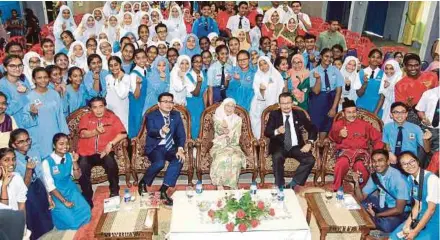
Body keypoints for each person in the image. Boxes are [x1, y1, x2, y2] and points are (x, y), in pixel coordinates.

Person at [138, 92, 186, 206]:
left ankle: (163, 190)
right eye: (165, 102)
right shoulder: (151, 116)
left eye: (170, 102)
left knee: (179, 159)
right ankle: (143, 182)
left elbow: (181, 134)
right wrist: (161, 131)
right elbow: (151, 131)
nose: (168, 104)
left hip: (170, 147)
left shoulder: (176, 115)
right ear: (159, 104)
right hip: (156, 146)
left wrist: (180, 149)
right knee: (159, 163)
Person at [77, 97, 126, 207]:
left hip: (104, 151)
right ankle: (87, 195)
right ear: (91, 109)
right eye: (95, 107)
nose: (98, 110)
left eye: (101, 106)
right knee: (82, 167)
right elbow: (82, 134)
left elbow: (123, 134)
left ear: (105, 106)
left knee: (111, 163)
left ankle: (114, 191)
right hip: (86, 151)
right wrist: (96, 131)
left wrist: (111, 144)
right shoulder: (86, 118)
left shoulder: (112, 118)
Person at [329, 98, 384, 191]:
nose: (352, 115)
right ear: (343, 113)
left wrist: (376, 152)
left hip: (361, 153)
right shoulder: (338, 124)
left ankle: (361, 190)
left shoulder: (365, 124)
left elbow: (378, 138)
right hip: (345, 152)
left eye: (354, 112)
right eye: (349, 112)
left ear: (357, 112)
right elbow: (332, 137)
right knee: (341, 164)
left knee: (361, 167)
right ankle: (337, 188)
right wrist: (340, 135)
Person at [264, 92, 316, 189]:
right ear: (279, 105)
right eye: (283, 103)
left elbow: (312, 128)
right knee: (277, 157)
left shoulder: (299, 114)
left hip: (296, 146)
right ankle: (280, 184)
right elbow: (267, 132)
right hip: (279, 146)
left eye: (288, 103)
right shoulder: (274, 114)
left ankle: (294, 183)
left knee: (310, 159)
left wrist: (309, 143)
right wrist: (277, 131)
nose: (286, 106)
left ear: (292, 103)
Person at [353, 149, 410, 234]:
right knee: (362, 204)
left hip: (401, 212)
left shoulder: (399, 180)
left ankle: (374, 218)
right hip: (385, 204)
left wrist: (377, 215)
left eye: (380, 160)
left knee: (387, 226)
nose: (376, 164)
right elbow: (361, 199)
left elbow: (399, 209)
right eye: (374, 161)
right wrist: (356, 183)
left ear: (388, 162)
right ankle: (373, 218)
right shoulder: (375, 176)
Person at [9, 129, 53, 239]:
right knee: (33, 218)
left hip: (37, 183)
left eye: (27, 140)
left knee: (47, 216)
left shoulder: (34, 151)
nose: (26, 143)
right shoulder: (13, 160)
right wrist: (28, 170)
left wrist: (48, 194)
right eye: (21, 141)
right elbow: (23, 187)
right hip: (25, 190)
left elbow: (40, 173)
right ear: (14, 145)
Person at [42, 133, 91, 229]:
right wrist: (64, 201)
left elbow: (77, 176)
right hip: (57, 193)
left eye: (67, 143)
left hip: (71, 189)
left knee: (87, 211)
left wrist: (74, 161)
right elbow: (50, 186)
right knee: (72, 222)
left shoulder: (69, 156)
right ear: (54, 145)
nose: (65, 146)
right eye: (61, 144)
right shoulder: (47, 162)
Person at [390, 152, 439, 240]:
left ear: (417, 161)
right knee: (394, 237)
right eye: (404, 164)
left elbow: (431, 210)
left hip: (435, 220)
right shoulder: (410, 179)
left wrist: (415, 231)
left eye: (411, 161)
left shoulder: (432, 179)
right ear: (401, 167)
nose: (409, 165)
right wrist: (407, 225)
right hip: (420, 217)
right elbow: (417, 205)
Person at [309, 48, 343, 146]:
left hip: (331, 99)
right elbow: (316, 91)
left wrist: (333, 108)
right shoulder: (314, 71)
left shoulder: (335, 70)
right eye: (326, 56)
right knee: (316, 122)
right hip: (318, 99)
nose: (328, 59)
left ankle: (321, 144)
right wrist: (318, 79)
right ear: (321, 57)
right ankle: (313, 144)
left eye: (331, 57)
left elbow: (339, 90)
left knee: (327, 123)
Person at [210, 98, 245, 189]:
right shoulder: (217, 117)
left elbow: (237, 134)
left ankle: (232, 184)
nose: (230, 108)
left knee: (236, 158)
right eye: (228, 106)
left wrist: (229, 137)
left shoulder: (238, 119)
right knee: (221, 158)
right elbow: (217, 128)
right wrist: (223, 128)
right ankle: (219, 184)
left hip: (233, 145)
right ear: (223, 106)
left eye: (232, 106)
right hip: (219, 145)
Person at [383, 102, 432, 168]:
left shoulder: (415, 128)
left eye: (403, 112)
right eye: (396, 112)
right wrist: (389, 152)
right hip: (393, 160)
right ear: (391, 115)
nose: (400, 115)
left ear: (406, 114)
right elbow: (387, 143)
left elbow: (427, 150)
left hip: (410, 162)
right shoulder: (387, 127)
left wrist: (426, 140)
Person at [395, 54, 438, 125]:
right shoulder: (400, 85)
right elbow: (400, 107)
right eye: (410, 65)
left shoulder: (432, 76)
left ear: (420, 65)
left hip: (434, 112)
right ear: (405, 67)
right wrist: (407, 105)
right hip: (412, 115)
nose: (413, 68)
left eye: (416, 65)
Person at [250, 56, 284, 139]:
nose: (263, 66)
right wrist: (262, 91)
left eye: (265, 63)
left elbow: (280, 90)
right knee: (258, 125)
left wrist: (277, 104)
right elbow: (258, 94)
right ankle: (260, 142)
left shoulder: (276, 75)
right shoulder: (257, 76)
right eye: (260, 65)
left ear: (269, 63)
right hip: (259, 105)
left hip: (275, 104)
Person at [105, 56, 130, 131]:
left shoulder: (127, 77)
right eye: (111, 66)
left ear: (120, 65)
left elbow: (122, 95)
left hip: (121, 109)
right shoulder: (108, 77)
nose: (113, 68)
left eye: (116, 65)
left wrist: (118, 79)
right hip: (109, 109)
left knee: (122, 130)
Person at [128, 49, 149, 139]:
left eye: (143, 57)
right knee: (137, 127)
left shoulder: (146, 70)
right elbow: (136, 96)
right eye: (138, 58)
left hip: (146, 103)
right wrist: (137, 84)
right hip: (137, 104)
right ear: (134, 60)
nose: (141, 60)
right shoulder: (133, 75)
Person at [374, 59, 403, 124]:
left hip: (397, 110)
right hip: (387, 109)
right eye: (386, 69)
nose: (388, 71)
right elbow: (382, 97)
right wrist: (375, 113)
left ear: (396, 69)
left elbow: (397, 98)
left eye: (391, 69)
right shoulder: (385, 78)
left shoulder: (400, 80)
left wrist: (390, 87)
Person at [357, 49, 384, 115]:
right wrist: (365, 83)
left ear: (381, 60)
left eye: (378, 57)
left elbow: (382, 96)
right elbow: (359, 94)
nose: (375, 59)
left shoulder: (384, 74)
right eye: (373, 57)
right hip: (361, 107)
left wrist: (375, 113)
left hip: (376, 108)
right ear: (369, 58)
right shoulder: (361, 73)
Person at [186, 54, 207, 138]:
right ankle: (191, 144)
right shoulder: (188, 76)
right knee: (192, 123)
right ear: (192, 63)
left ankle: (199, 145)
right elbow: (195, 93)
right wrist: (199, 83)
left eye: (200, 62)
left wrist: (206, 106)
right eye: (196, 62)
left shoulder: (204, 74)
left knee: (201, 123)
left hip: (201, 102)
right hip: (191, 103)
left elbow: (205, 92)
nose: (199, 64)